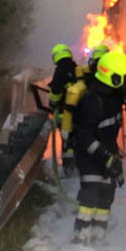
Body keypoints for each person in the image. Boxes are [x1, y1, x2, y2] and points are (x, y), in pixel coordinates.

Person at [72, 51, 126, 244]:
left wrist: (114, 161)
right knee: (90, 197)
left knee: (107, 197)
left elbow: (109, 137)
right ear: (112, 78)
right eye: (123, 77)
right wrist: (105, 156)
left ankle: (99, 237)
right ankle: (80, 239)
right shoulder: (92, 101)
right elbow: (82, 136)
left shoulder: (113, 98)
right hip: (90, 159)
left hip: (106, 156)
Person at [49, 44, 78, 174]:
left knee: (68, 142)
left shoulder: (59, 72)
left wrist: (52, 103)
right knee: (81, 138)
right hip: (81, 113)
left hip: (65, 115)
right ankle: (82, 165)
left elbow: (55, 92)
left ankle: (69, 168)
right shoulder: (77, 69)